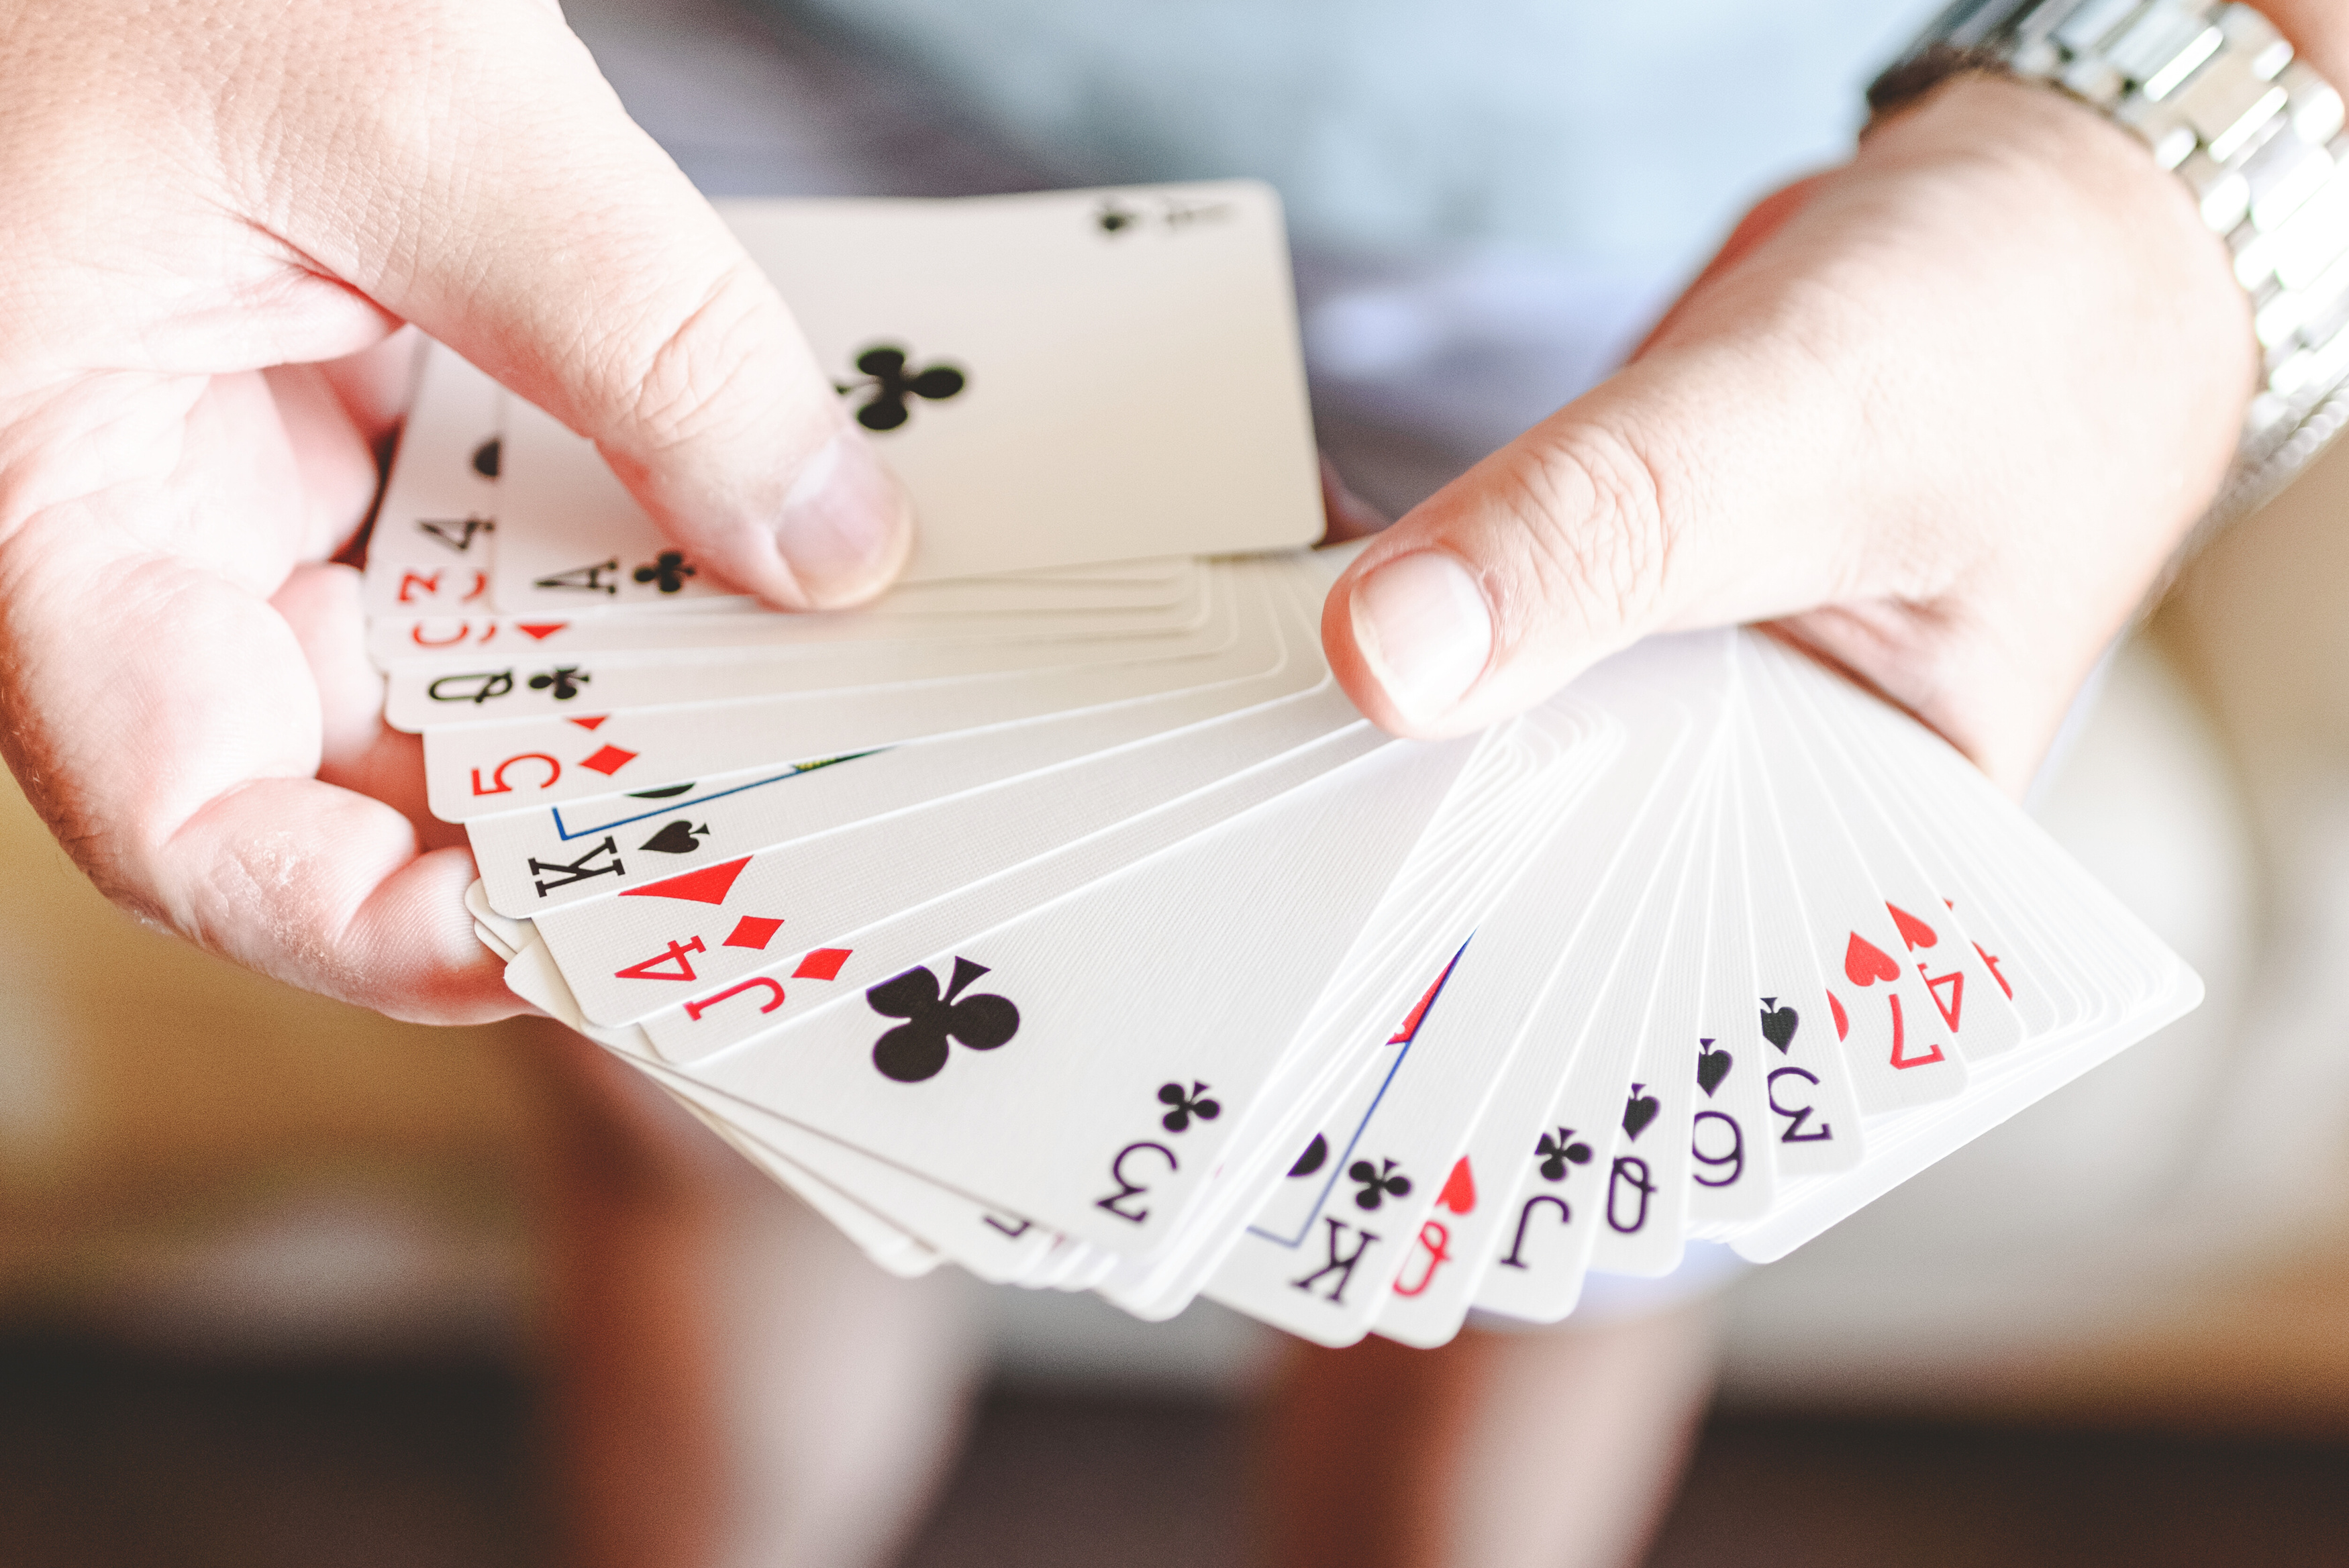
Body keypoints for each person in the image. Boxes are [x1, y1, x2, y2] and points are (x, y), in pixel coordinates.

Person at [0, 0, 2314, 1564]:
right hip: (696, 91)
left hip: (1711, 191)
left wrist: (2195, 163)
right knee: (708, 1092)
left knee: (1543, 1193)